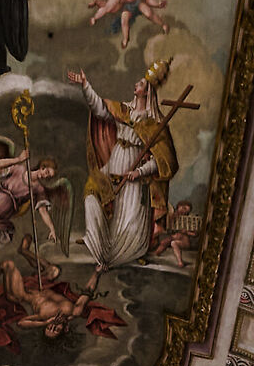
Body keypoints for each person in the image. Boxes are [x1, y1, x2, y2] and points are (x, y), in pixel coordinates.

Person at [71, 63, 180, 271]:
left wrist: (139, 172)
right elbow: (99, 109)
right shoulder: (123, 110)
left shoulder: (155, 125)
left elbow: (164, 160)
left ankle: (122, 254)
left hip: (136, 173)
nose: (135, 84)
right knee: (93, 194)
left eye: (140, 83)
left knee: (129, 216)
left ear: (147, 91)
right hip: (116, 160)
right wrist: (86, 85)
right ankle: (101, 246)